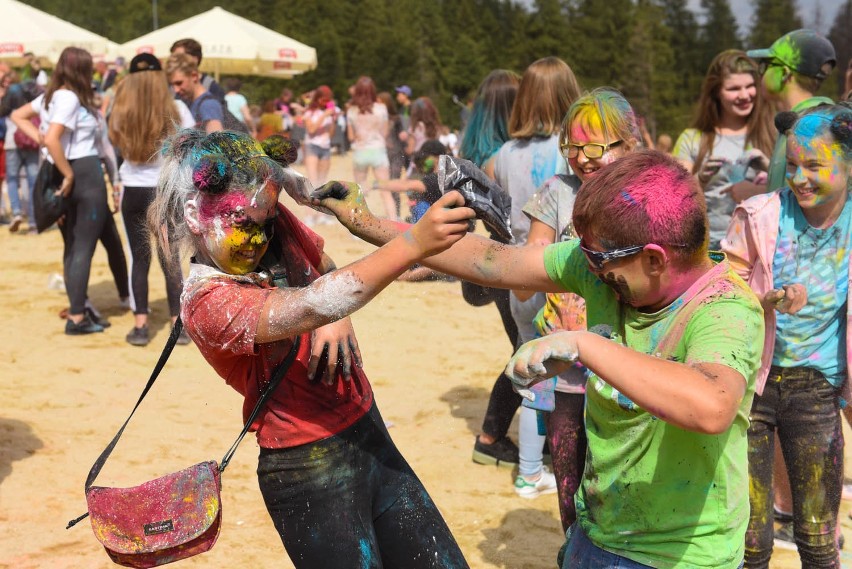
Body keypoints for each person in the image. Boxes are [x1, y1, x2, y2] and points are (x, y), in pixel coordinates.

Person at [317, 149, 764, 569]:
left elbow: (712, 406)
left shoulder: (724, 308)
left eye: (599, 259)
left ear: (653, 259)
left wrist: (583, 345)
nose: (588, 268)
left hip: (683, 555)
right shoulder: (604, 268)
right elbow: (493, 260)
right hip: (599, 532)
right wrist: (368, 223)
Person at [150, 129, 472, 568]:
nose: (259, 238)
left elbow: (327, 275)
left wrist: (305, 197)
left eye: (266, 221)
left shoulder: (271, 222)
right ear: (195, 215)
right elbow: (309, 305)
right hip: (307, 471)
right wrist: (411, 245)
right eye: (243, 224)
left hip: (369, 432)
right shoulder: (206, 303)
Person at [723, 104, 852, 568]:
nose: (799, 178)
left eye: (815, 165)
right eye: (793, 165)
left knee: (817, 537)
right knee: (750, 538)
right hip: (752, 386)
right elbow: (721, 293)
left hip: (817, 392)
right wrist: (764, 298)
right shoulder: (758, 215)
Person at [520, 87, 639, 527]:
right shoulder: (556, 192)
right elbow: (532, 258)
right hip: (564, 364)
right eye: (572, 146)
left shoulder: (641, 195)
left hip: (624, 361)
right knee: (567, 473)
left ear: (629, 145)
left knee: (618, 477)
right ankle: (573, 547)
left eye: (594, 147)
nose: (581, 157)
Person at [474, 56, 579, 470]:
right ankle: (554, 454)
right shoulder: (569, 152)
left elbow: (494, 217)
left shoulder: (501, 155)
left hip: (517, 270)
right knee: (566, 372)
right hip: (558, 272)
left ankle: (533, 458)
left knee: (531, 365)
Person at [11, 47, 128, 334]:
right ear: (83, 70)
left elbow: (18, 116)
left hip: (64, 169)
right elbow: (52, 138)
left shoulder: (52, 96)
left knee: (74, 246)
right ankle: (77, 316)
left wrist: (41, 141)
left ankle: (80, 309)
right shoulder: (71, 98)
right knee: (83, 248)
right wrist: (67, 172)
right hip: (81, 172)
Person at [107, 53, 194, 347]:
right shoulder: (178, 108)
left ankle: (141, 325)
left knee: (138, 259)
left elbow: (113, 145)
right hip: (164, 190)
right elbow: (191, 148)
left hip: (132, 189)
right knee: (170, 258)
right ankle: (177, 325)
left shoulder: (120, 109)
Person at [673, 50, 776, 248]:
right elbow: (672, 196)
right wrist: (699, 180)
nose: (745, 95)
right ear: (716, 92)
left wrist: (762, 185)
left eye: (750, 86)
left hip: (761, 249)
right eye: (734, 88)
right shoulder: (692, 139)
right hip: (706, 251)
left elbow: (796, 189)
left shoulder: (773, 134)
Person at [747, 29, 837, 196]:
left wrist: (752, 194)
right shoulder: (818, 116)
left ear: (784, 74)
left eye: (765, 65)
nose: (761, 74)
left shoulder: (810, 124)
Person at [346, 76, 396, 220]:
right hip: (378, 151)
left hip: (360, 152)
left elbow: (350, 137)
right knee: (386, 191)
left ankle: (358, 224)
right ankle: (393, 222)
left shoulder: (352, 111)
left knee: (359, 191)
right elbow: (385, 133)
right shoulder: (381, 108)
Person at [0, 70, 40, 233]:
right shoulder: (31, 92)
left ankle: (16, 212)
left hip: (12, 141)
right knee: (32, 181)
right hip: (31, 139)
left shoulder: (9, 96)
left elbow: (2, 113)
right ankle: (33, 221)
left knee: (12, 179)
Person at [165, 54, 223, 133]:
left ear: (194, 76)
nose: (176, 90)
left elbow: (217, 142)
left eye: (179, 83)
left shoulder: (208, 105)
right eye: (172, 85)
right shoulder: (196, 102)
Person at [377, 91, 405, 219]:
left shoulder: (396, 118)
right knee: (385, 185)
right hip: (382, 154)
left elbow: (402, 134)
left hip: (396, 155)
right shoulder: (376, 118)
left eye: (379, 102)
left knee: (394, 183)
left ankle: (397, 214)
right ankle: (391, 213)